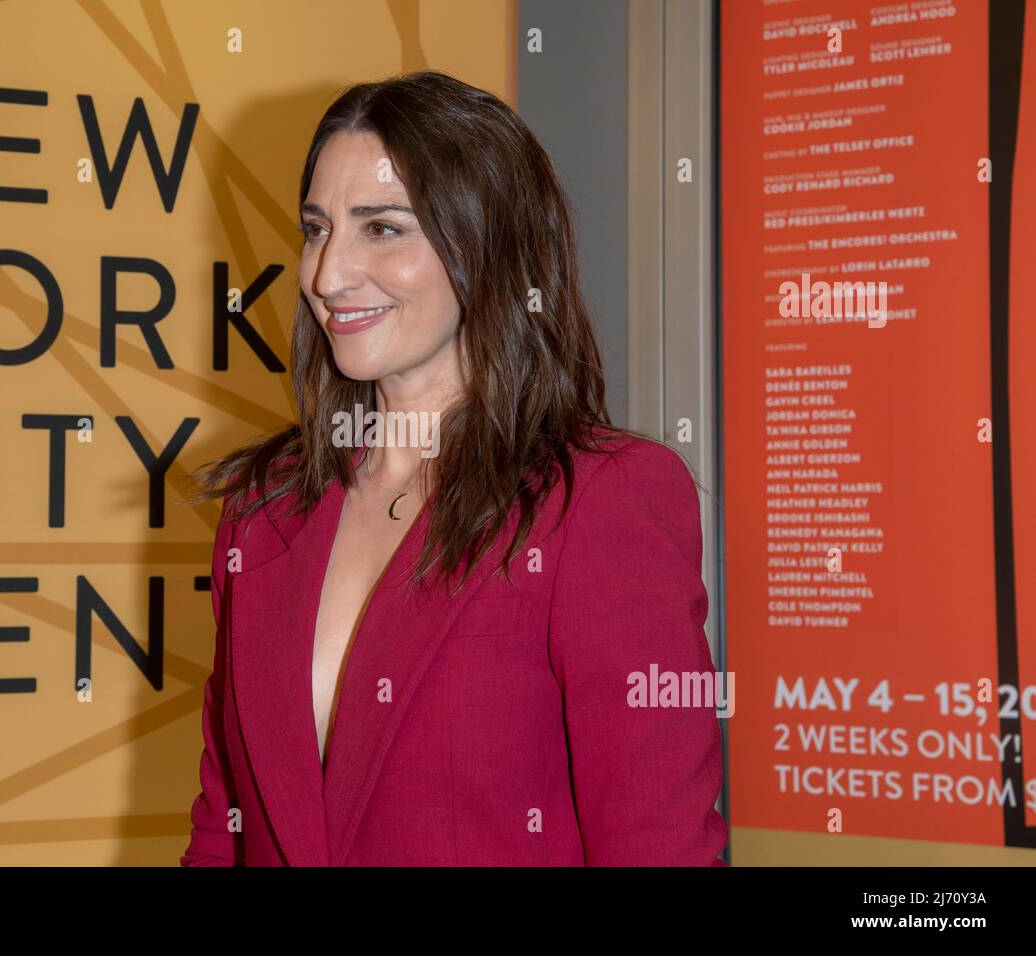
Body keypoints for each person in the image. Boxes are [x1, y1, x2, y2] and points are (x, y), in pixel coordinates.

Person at [180, 70, 728, 866]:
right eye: (316, 229)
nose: (327, 276)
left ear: (486, 244)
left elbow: (657, 845)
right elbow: (221, 827)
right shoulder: (265, 507)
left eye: (382, 229)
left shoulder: (600, 501)